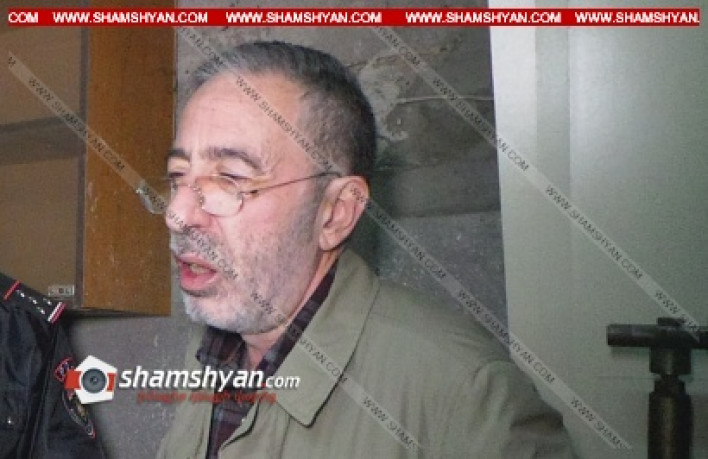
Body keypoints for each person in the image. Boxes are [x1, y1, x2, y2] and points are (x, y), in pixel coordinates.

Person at [156, 40, 574, 458]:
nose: (177, 214)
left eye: (229, 179)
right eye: (178, 177)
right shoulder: (213, 354)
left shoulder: (467, 398)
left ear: (335, 213)